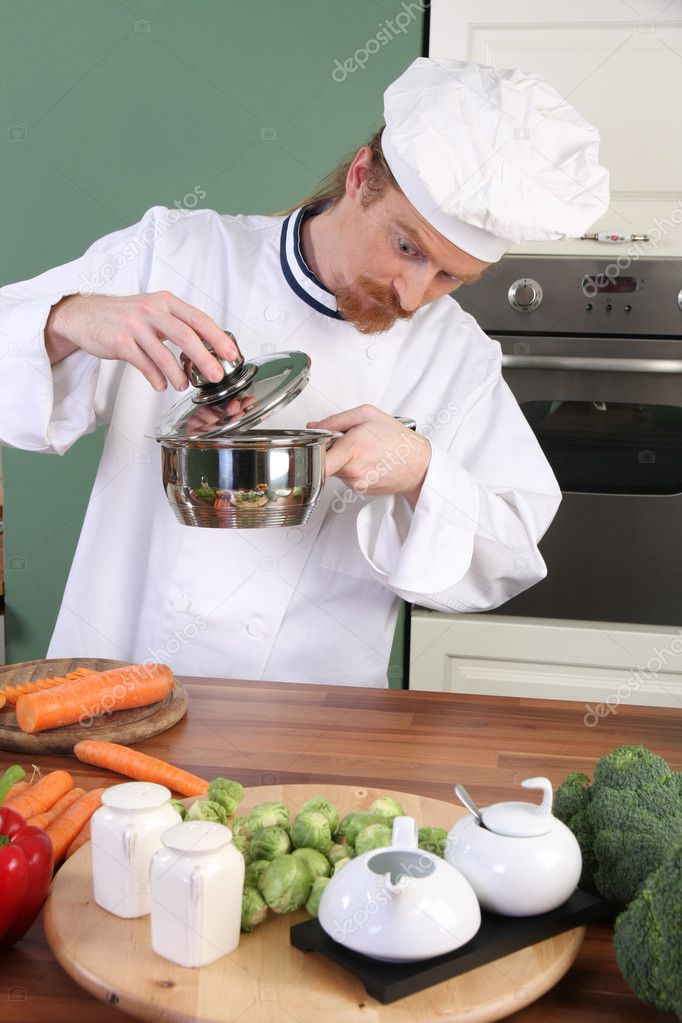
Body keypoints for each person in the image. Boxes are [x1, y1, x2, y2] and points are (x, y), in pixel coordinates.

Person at [0, 59, 608, 686]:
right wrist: (67, 319)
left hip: (311, 715)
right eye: (407, 247)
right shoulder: (177, 252)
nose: (411, 293)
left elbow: (508, 552)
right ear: (361, 177)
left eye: (450, 276)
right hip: (118, 687)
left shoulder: (456, 356)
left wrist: (421, 474)